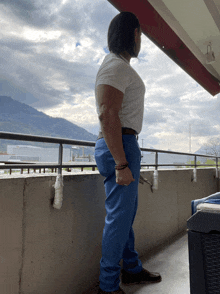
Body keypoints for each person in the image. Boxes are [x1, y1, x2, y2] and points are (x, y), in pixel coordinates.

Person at [94, 12, 162, 294]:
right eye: (141, 36)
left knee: (124, 217)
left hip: (124, 144)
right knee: (118, 218)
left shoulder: (119, 66)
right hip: (119, 146)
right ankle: (108, 286)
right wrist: (122, 163)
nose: (141, 42)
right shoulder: (115, 65)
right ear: (133, 34)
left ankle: (131, 269)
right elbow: (107, 113)